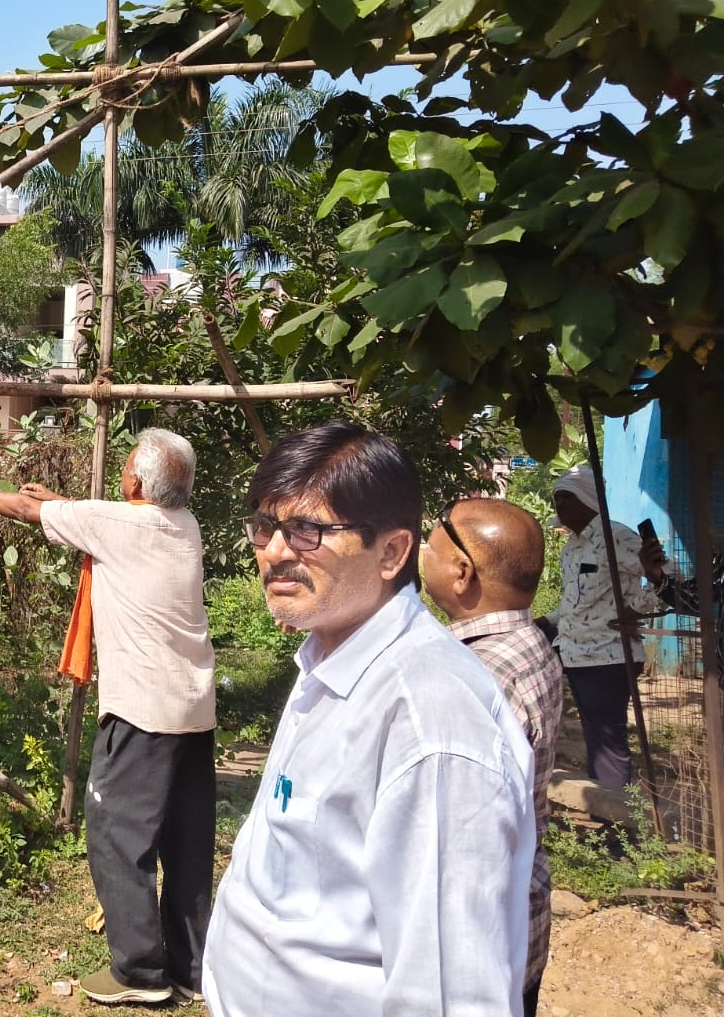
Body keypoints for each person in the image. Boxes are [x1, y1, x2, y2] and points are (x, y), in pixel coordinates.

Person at [203, 421, 535, 1016]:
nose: (276, 551)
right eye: (266, 527)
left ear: (391, 552)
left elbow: (449, 994)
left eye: (308, 530)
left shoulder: (430, 721)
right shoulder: (329, 656)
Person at [0, 429, 214, 1005]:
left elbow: (23, 509)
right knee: (187, 841)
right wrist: (57, 504)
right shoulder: (183, 524)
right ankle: (191, 972)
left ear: (136, 482)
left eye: (125, 466)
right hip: (195, 709)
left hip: (143, 710)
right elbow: (84, 516)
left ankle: (139, 974)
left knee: (116, 832)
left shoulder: (118, 524)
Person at [423, 497, 563, 1017]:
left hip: (474, 950)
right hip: (520, 919)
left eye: (432, 541)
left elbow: (452, 833)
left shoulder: (476, 677)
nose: (422, 550)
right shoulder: (526, 642)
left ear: (462, 572)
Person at [543, 465, 661, 788]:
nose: (560, 506)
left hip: (608, 656)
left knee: (608, 745)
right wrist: (546, 620)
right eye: (557, 499)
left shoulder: (617, 537)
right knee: (595, 740)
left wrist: (637, 609)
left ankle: (617, 825)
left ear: (587, 500)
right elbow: (575, 602)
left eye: (567, 498)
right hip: (576, 653)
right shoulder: (572, 547)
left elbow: (668, 578)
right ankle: (606, 811)